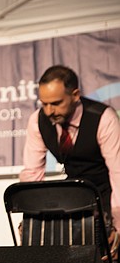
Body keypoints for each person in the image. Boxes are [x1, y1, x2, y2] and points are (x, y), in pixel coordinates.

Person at [20, 65, 120, 251]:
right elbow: (32, 173)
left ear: (75, 95)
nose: (49, 111)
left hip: (108, 192)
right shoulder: (37, 120)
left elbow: (118, 174)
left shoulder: (103, 118)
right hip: (76, 194)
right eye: (44, 103)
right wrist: (29, 219)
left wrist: (118, 227)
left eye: (56, 103)